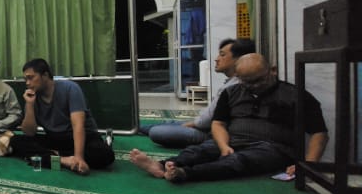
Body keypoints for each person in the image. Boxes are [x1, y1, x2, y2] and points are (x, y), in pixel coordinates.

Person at [131, 54, 328, 183]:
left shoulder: (295, 96)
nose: (253, 86)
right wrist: (224, 145)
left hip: (272, 147)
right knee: (200, 150)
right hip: (232, 139)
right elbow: (218, 123)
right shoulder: (232, 92)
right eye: (247, 82)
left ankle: (185, 174)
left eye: (258, 80)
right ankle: (164, 165)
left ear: (273, 71)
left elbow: (319, 133)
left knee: (238, 162)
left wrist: (308, 165)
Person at [143, 39, 255, 148]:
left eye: (222, 55)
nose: (216, 59)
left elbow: (206, 122)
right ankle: (138, 128)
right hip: (206, 126)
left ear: (238, 60)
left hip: (212, 133)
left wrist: (194, 124)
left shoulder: (234, 86)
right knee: (169, 122)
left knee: (157, 131)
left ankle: (141, 128)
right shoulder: (232, 82)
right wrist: (194, 122)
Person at [10, 59, 115, 174]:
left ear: (45, 75)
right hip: (56, 139)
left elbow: (78, 126)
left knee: (105, 155)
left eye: (31, 78)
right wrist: (30, 105)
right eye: (25, 79)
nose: (27, 83)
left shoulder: (70, 88)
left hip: (84, 137)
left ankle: (51, 156)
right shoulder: (32, 96)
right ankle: (64, 160)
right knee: (15, 141)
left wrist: (79, 157)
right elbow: (29, 133)